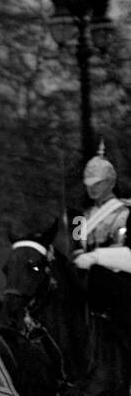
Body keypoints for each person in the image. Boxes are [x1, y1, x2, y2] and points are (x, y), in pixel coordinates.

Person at [72, 139, 131, 339]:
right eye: (89, 184)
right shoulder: (80, 217)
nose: (92, 189)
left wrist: (96, 257)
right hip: (86, 281)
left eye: (98, 183)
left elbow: (127, 254)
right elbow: (76, 249)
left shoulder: (125, 213)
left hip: (118, 282)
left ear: (111, 182)